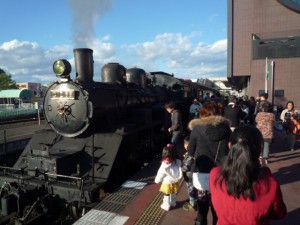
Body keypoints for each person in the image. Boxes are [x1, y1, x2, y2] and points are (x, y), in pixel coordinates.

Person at [210, 125, 287, 225]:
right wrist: (265, 172)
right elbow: (279, 214)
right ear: (260, 149)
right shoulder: (270, 184)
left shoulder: (215, 174)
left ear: (229, 145)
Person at [185, 101, 231, 225]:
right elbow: (230, 149)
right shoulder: (226, 128)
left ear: (202, 112)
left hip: (201, 173)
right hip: (221, 173)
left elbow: (190, 151)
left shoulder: (197, 128)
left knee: (202, 210)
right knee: (217, 210)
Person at [155, 144, 183, 211]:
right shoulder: (178, 162)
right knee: (173, 192)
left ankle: (166, 205)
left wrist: (157, 180)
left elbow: (160, 174)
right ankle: (173, 203)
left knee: (166, 194)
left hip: (167, 182)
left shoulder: (164, 165)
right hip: (174, 181)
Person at [181, 135, 197, 211]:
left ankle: (192, 204)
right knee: (195, 189)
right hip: (195, 174)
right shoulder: (196, 152)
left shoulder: (189, 155)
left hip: (190, 175)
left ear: (186, 146)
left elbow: (186, 167)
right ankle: (195, 201)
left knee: (190, 190)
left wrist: (182, 170)